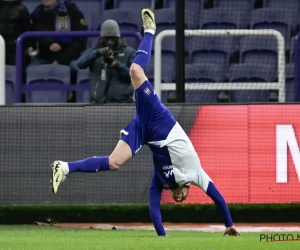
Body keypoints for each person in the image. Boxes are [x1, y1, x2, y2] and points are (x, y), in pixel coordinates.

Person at [51, 8, 240, 237]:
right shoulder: (196, 174)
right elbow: (217, 197)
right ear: (189, 189)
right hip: (158, 117)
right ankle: (150, 31)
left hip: (144, 129)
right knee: (135, 70)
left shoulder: (161, 179)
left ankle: (64, 166)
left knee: (114, 162)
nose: (178, 197)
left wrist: (162, 236)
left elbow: (153, 206)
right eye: (183, 196)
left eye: (176, 198)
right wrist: (229, 224)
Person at [75, 19, 135, 103]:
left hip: (122, 103)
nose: (110, 42)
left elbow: (135, 77)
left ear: (118, 37)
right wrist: (98, 52)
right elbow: (80, 64)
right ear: (102, 38)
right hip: (98, 103)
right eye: (107, 39)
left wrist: (118, 65)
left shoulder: (129, 52)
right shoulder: (94, 52)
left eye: (113, 39)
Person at [29, 0, 87, 67]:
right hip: (45, 58)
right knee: (30, 70)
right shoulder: (38, 13)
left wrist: (60, 59)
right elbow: (39, 32)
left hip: (69, 58)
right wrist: (50, 43)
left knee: (77, 68)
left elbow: (80, 40)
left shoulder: (72, 11)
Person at [0, 0, 35, 65]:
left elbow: (27, 28)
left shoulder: (22, 9)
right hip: (0, 45)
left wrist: (30, 46)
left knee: (16, 70)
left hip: (16, 46)